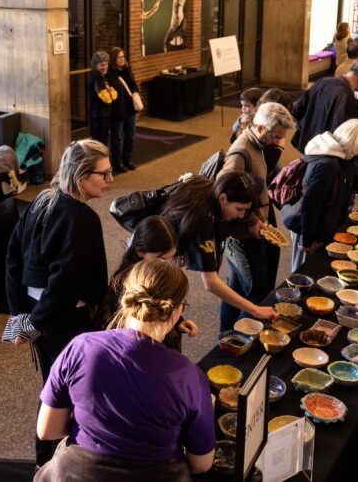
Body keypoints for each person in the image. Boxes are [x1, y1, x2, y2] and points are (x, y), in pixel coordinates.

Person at [35, 259, 214, 481]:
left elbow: (47, 430)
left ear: (125, 298)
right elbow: (202, 463)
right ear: (176, 311)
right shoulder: (190, 376)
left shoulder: (80, 347)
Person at [4, 139, 113, 466]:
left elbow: (12, 261)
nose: (110, 181)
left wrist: (20, 319)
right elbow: (65, 284)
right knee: (68, 395)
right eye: (104, 174)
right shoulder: (82, 218)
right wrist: (32, 324)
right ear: (81, 176)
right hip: (66, 321)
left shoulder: (41, 199)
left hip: (42, 316)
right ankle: (56, 465)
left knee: (52, 387)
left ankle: (47, 462)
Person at [160, 173, 278, 328]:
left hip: (165, 246)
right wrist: (255, 310)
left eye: (245, 210)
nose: (241, 215)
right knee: (159, 296)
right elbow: (211, 283)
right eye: (239, 209)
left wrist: (253, 220)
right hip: (155, 253)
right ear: (223, 199)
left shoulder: (215, 192)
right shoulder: (203, 220)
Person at [218, 103, 296, 331]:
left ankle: (228, 336)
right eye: (276, 136)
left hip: (251, 231)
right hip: (241, 235)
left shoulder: (259, 145)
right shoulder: (240, 152)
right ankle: (242, 339)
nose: (278, 141)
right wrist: (252, 220)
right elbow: (223, 192)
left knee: (237, 289)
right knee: (255, 291)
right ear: (261, 128)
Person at [285, 119, 358, 271]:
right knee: (303, 271)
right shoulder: (328, 165)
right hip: (307, 227)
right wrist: (307, 240)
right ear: (354, 144)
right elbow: (310, 205)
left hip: (320, 224)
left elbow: (350, 186)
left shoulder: (340, 156)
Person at [104, 216, 197, 350]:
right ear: (140, 251)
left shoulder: (159, 273)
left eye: (172, 258)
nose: (168, 265)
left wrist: (177, 322)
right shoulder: (125, 284)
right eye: (161, 259)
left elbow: (159, 305)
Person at [291, 58, 358, 153]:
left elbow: (297, 109)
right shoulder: (348, 98)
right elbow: (343, 137)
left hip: (307, 145)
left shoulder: (322, 82)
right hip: (325, 152)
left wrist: (304, 128)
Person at [107, 47, 139, 174]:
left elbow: (134, 86)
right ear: (113, 59)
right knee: (117, 138)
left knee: (130, 136)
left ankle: (127, 160)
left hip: (130, 109)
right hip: (118, 111)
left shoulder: (127, 70)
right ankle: (117, 163)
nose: (122, 59)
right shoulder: (110, 74)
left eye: (123, 57)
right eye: (119, 57)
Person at [87, 52, 116, 146]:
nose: (105, 67)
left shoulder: (103, 76)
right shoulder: (97, 77)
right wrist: (111, 94)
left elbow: (114, 94)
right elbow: (106, 98)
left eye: (106, 64)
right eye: (102, 65)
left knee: (103, 141)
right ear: (95, 65)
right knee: (99, 143)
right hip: (98, 115)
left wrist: (111, 94)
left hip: (105, 113)